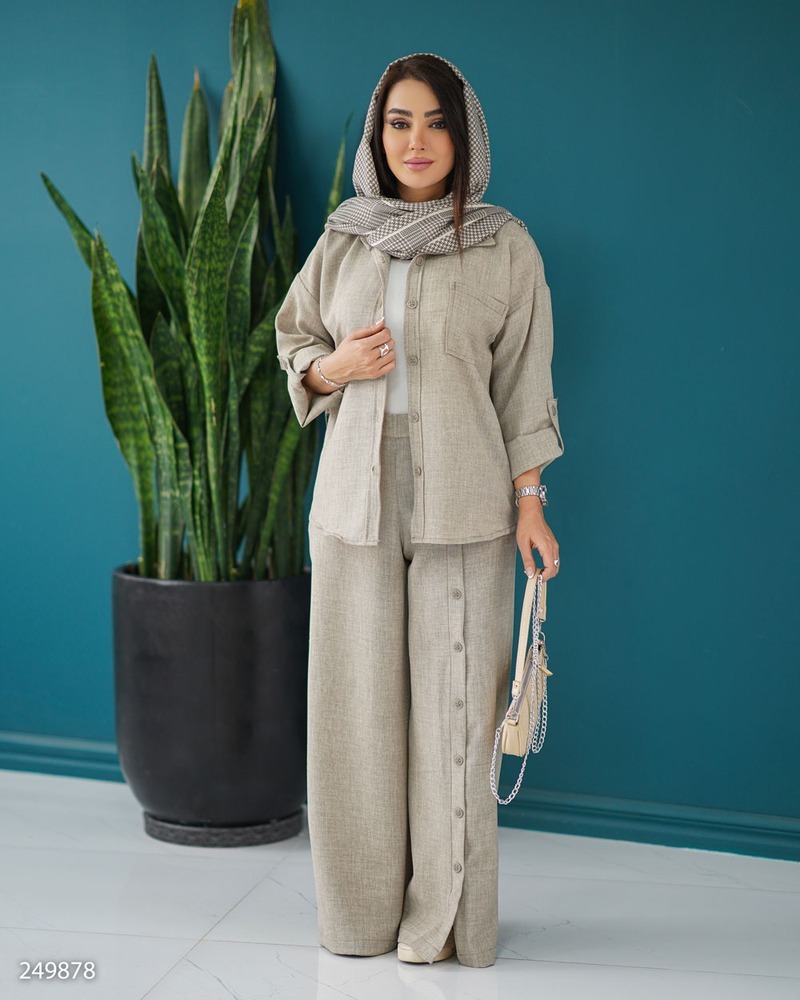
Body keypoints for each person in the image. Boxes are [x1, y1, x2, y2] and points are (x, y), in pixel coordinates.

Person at [275, 51, 565, 969]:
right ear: (378, 135)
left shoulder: (506, 245)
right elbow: (296, 341)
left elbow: (524, 387)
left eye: (437, 122)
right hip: (351, 501)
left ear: (464, 134)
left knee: (455, 718)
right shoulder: (344, 239)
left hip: (468, 500)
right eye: (399, 122)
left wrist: (531, 505)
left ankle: (445, 926)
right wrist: (335, 369)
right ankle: (357, 920)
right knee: (355, 717)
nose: (418, 141)